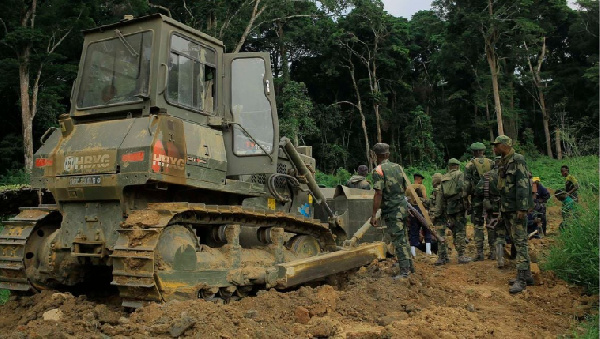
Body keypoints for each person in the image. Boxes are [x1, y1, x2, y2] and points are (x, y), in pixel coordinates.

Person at [493, 135, 534, 294]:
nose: (494, 148)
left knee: (520, 242)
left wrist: (522, 208)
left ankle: (522, 280)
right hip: (507, 208)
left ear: (505, 145)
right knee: (517, 242)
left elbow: (523, 184)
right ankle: (528, 275)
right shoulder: (503, 161)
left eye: (496, 145)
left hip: (516, 208)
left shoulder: (518, 160)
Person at [369, 143, 413, 278]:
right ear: (387, 154)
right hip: (402, 206)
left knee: (398, 239)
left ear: (376, 156)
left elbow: (378, 193)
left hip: (392, 209)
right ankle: (409, 265)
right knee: (404, 237)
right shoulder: (398, 167)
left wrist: (374, 214)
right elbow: (406, 187)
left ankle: (405, 270)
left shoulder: (378, 170)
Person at [433, 158, 472, 264]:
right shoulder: (460, 174)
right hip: (459, 206)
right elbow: (463, 189)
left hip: (449, 208)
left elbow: (440, 197)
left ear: (449, 167)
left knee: (452, 230)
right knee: (460, 231)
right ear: (458, 166)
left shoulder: (444, 178)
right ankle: (461, 255)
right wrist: (467, 203)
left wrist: (437, 212)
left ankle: (443, 256)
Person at [464, 142, 494, 261]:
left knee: (478, 225)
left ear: (473, 152)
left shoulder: (469, 165)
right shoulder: (491, 163)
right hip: (490, 197)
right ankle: (493, 252)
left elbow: (466, 184)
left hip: (476, 198)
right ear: (483, 151)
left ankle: (480, 253)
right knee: (491, 223)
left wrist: (465, 198)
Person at [408, 173, 432, 256]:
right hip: (421, 209)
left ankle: (413, 253)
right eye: (421, 179)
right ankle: (428, 252)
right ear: (419, 179)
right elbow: (424, 198)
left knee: (414, 231)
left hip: (413, 211)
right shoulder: (421, 187)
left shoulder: (409, 187)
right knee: (427, 229)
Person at [430, 173, 451, 265]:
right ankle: (445, 256)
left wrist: (433, 217)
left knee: (440, 236)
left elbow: (438, 206)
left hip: (439, 217)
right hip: (445, 215)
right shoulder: (444, 188)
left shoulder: (438, 190)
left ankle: (442, 257)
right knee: (442, 235)